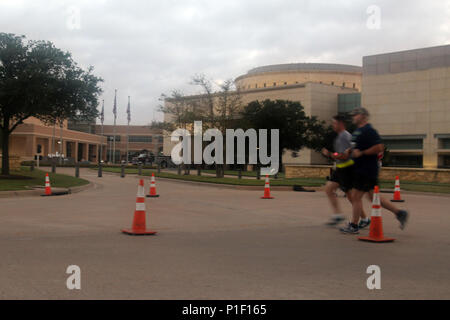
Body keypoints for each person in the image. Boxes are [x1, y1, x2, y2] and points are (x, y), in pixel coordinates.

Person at [339, 107, 409, 234]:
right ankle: (400, 213)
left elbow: (379, 147)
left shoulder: (369, 130)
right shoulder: (357, 131)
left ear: (363, 116)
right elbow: (355, 146)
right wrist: (349, 151)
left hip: (367, 169)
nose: (353, 117)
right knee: (373, 197)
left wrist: (363, 152)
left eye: (355, 114)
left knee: (355, 196)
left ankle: (354, 226)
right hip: (361, 168)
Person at [321, 115, 369, 227]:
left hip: (347, 168)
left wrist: (329, 154)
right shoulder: (342, 136)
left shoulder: (344, 136)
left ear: (341, 124)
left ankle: (364, 219)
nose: (333, 125)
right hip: (341, 168)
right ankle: (338, 215)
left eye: (334, 123)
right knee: (329, 189)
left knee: (352, 196)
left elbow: (343, 156)